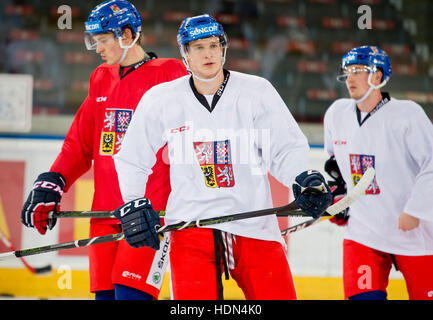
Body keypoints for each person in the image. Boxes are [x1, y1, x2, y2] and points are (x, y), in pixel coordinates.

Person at [112, 14, 332, 300]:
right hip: (191, 228)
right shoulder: (162, 98)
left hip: (255, 226)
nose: (209, 54)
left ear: (224, 49)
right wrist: (133, 202)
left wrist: (301, 178)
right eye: (199, 47)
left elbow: (285, 147)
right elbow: (132, 156)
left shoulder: (257, 91)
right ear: (185, 54)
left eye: (214, 45)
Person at [20, 0, 187, 300]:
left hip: (150, 214)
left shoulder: (170, 74)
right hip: (104, 213)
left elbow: (196, 137)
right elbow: (80, 144)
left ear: (127, 35)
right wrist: (54, 180)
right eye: (93, 41)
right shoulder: (100, 78)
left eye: (102, 40)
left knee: (130, 296)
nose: (97, 48)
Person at [323, 45, 433, 300]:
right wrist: (340, 200)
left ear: (378, 76)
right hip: (364, 233)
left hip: (416, 236)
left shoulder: (408, 115)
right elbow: (335, 167)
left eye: (359, 71)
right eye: (347, 71)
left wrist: (414, 210)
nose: (350, 78)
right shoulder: (336, 114)